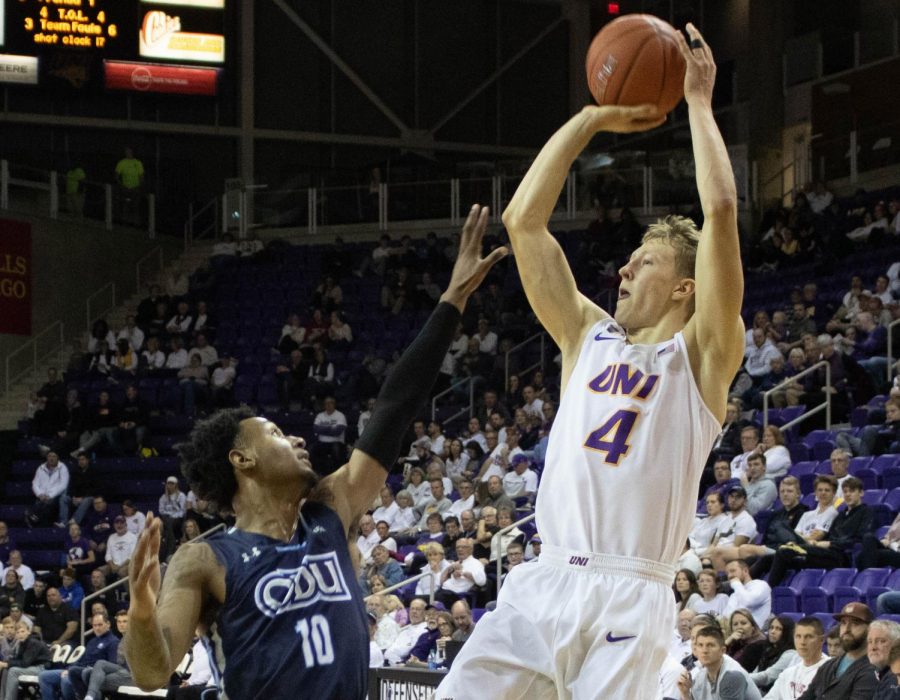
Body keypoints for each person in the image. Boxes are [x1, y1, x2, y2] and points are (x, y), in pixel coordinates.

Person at [440, 29, 746, 698]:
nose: (626, 266)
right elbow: (525, 221)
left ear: (685, 288)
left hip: (631, 590)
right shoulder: (587, 336)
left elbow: (721, 211)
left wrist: (697, 103)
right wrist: (591, 119)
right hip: (544, 578)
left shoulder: (700, 357)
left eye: (648, 260)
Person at [124, 205, 506, 699]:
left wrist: (452, 299)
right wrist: (139, 606)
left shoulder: (329, 510)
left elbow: (393, 409)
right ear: (241, 460)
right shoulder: (205, 559)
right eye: (279, 435)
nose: (299, 439)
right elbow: (151, 673)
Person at [768, 476, 872, 586]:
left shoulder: (866, 512)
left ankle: (768, 590)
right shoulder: (842, 515)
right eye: (845, 492)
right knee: (775, 555)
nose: (848, 495)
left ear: (861, 493)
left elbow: (858, 539)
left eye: (852, 491)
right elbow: (832, 536)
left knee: (785, 550)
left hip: (839, 556)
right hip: (826, 552)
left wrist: (828, 543)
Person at [796, 602, 877, 699]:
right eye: (843, 623)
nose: (847, 629)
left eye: (855, 623)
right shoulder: (828, 665)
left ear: (870, 629)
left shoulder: (872, 671)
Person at [679, 625, 762, 699]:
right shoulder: (700, 677)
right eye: (700, 645)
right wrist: (685, 693)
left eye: (710, 645)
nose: (704, 651)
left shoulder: (732, 675)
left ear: (722, 650)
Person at [763, 617, 828, 700]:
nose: (802, 642)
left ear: (822, 640)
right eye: (798, 636)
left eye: (808, 637)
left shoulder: (829, 671)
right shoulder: (788, 673)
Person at [0, 622, 51, 700]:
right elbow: (18, 659)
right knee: (6, 670)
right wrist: (6, 664)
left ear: (28, 631)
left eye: (23, 631)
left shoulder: (33, 642)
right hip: (32, 666)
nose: (20, 634)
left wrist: (6, 664)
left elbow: (25, 663)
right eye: (18, 632)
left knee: (13, 671)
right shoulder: (23, 642)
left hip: (42, 668)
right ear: (16, 635)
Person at [749, 616, 798, 693]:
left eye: (778, 629)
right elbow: (756, 672)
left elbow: (767, 677)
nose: (772, 631)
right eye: (771, 628)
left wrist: (743, 677)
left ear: (787, 632)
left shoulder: (790, 654)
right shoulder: (768, 650)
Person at [28, 452, 69, 527]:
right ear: (47, 458)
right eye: (49, 456)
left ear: (57, 458)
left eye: (54, 456)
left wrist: (50, 495)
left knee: (47, 504)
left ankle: (32, 515)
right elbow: (35, 483)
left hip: (56, 495)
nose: (51, 458)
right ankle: (34, 518)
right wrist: (39, 494)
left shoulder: (62, 467)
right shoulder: (41, 468)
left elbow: (63, 485)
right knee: (41, 503)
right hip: (42, 495)